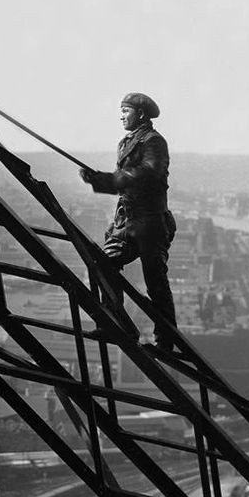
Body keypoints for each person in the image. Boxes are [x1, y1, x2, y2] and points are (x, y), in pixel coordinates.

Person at [79, 92, 178, 353]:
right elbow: (127, 184)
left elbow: (147, 173)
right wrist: (99, 180)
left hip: (151, 224)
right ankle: (116, 324)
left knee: (156, 282)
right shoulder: (126, 142)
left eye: (126, 111)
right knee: (103, 263)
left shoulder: (155, 142)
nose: (121, 115)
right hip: (128, 223)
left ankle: (166, 342)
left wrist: (105, 180)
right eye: (121, 110)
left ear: (141, 114)